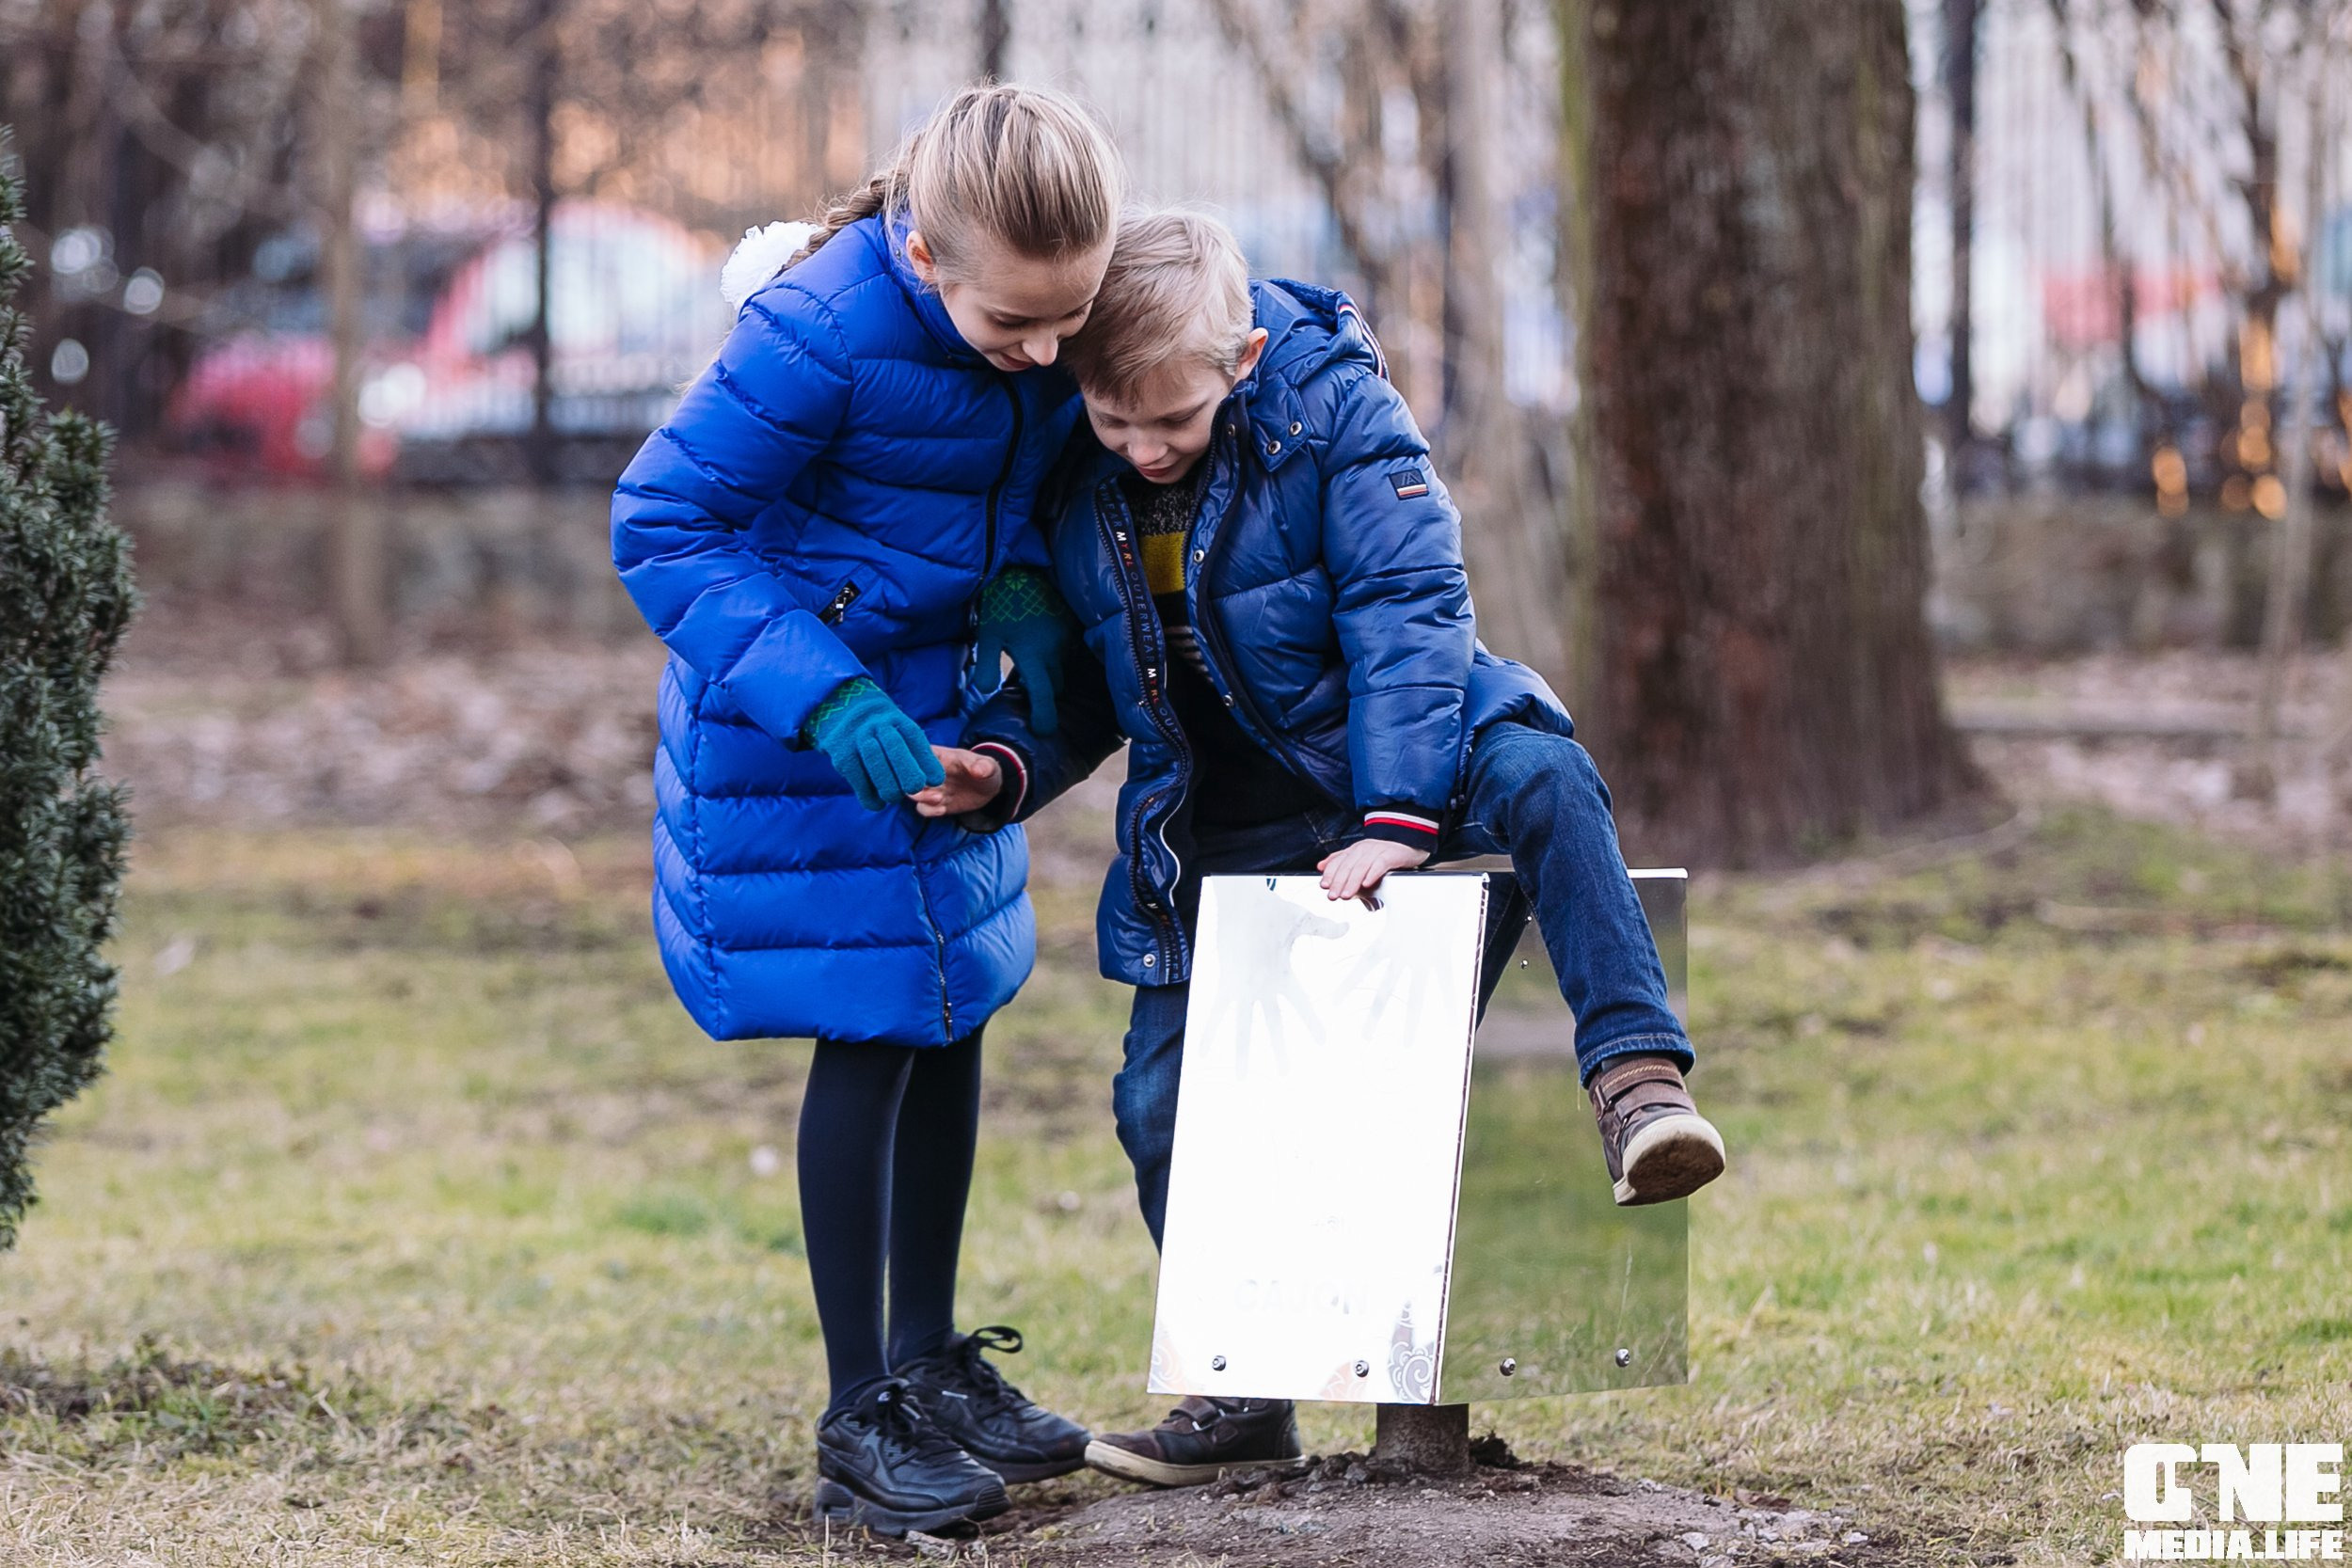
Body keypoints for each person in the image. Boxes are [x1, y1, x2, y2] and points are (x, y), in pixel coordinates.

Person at [914, 207, 1728, 1488]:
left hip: (1404, 750)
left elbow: (1407, 606)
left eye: (1169, 423)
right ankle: (1246, 1387)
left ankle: (1637, 1082)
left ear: (1239, 366)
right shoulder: (1083, 463)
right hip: (1217, 819)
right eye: (1115, 421)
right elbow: (1075, 679)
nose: (1142, 447)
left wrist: (1396, 817)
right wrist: (1005, 762)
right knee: (1159, 1106)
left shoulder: (1328, 411)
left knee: (1551, 778)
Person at [610, 85, 1125, 1538]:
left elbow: (1008, 491)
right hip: (802, 729)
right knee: (872, 1029)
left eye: (1062, 326)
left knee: (950, 1008)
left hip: (941, 722)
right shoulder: (816, 332)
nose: (1042, 354)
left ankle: (928, 1362)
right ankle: (859, 1419)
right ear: (922, 257)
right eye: (1013, 328)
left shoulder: (1026, 312)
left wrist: (1022, 603)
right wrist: (832, 700)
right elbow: (663, 520)